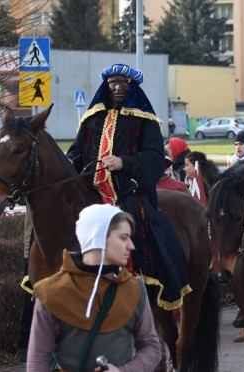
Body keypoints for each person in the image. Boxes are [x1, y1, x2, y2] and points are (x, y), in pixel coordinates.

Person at [67, 63, 191, 312]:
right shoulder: (92, 118)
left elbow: (156, 160)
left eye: (124, 84)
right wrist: (68, 162)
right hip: (92, 191)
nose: (118, 88)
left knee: (140, 221)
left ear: (132, 87)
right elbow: (77, 152)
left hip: (128, 191)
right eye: (113, 84)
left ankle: (147, 280)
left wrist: (124, 162)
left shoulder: (146, 121)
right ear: (106, 87)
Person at [27, 204, 161, 371]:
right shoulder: (51, 291)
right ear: (99, 237)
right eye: (123, 237)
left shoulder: (134, 288)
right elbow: (37, 360)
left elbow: (151, 347)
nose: (131, 246)